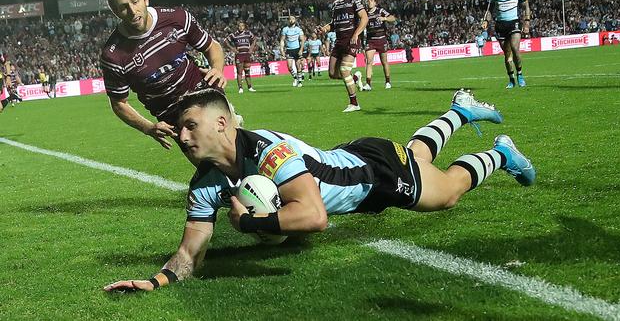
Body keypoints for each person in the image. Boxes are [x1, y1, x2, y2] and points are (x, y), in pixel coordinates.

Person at [103, 88, 536, 292]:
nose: (181, 136)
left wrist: (252, 220)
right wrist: (156, 280)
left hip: (372, 175)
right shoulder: (204, 185)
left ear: (222, 124)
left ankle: (500, 153)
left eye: (189, 126)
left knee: (447, 193)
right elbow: (191, 251)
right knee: (418, 157)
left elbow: (313, 218)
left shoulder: (267, 151)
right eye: (179, 129)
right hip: (352, 157)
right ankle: (459, 111)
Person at [100, 0, 227, 157]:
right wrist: (148, 128)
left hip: (204, 95)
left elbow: (211, 46)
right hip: (174, 118)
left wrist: (217, 68)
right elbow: (119, 103)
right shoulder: (113, 55)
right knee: (211, 165)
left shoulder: (177, 18)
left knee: (234, 152)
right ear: (116, 12)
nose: (133, 10)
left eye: (135, 1)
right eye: (124, 7)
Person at [316, 0, 368, 112]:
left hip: (351, 39)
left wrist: (356, 34)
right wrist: (324, 29)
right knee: (333, 73)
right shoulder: (335, 4)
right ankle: (355, 78)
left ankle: (354, 103)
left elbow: (364, 18)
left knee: (344, 70)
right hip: (339, 42)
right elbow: (333, 24)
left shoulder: (354, 0)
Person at [481, 0, 531, 89]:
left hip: (514, 22)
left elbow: (525, 6)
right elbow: (490, 10)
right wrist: (486, 21)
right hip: (500, 25)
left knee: (515, 48)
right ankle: (511, 79)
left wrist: (527, 22)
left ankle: (520, 74)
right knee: (507, 54)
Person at [362, 0, 396, 91]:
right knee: (369, 61)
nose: (369, 2)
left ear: (375, 2)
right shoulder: (364, 13)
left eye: (371, 0)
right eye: (367, 1)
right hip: (370, 40)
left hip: (381, 39)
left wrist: (384, 19)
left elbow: (393, 18)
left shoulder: (380, 11)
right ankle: (368, 84)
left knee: (384, 62)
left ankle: (388, 81)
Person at [225, 21, 257, 94]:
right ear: (237, 27)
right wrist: (232, 48)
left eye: (242, 26)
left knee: (247, 72)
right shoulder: (234, 35)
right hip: (239, 55)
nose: (241, 27)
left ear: (244, 26)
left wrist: (251, 47)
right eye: (239, 26)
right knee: (239, 72)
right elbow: (226, 41)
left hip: (247, 54)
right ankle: (240, 88)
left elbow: (254, 39)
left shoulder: (248, 33)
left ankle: (250, 87)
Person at [279, 15, 306, 87]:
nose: (291, 20)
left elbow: (302, 40)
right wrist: (282, 50)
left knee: (298, 66)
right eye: (290, 19)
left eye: (292, 19)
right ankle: (295, 77)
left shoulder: (298, 29)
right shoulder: (285, 29)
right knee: (289, 67)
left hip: (297, 49)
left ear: (295, 20)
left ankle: (300, 82)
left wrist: (301, 50)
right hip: (289, 50)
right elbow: (282, 40)